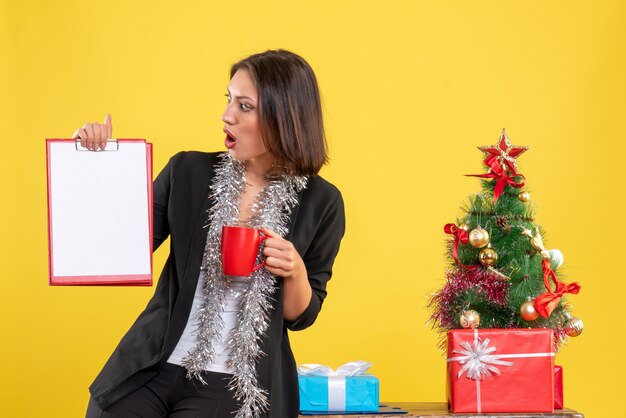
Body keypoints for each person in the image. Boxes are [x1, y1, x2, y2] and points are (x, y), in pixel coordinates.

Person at [79, 50, 345, 418]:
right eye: (229, 99)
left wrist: (294, 269)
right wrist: (97, 164)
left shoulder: (321, 200)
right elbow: (118, 248)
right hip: (150, 366)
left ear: (286, 116)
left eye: (245, 105)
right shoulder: (188, 171)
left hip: (235, 383)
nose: (227, 115)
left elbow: (300, 315)